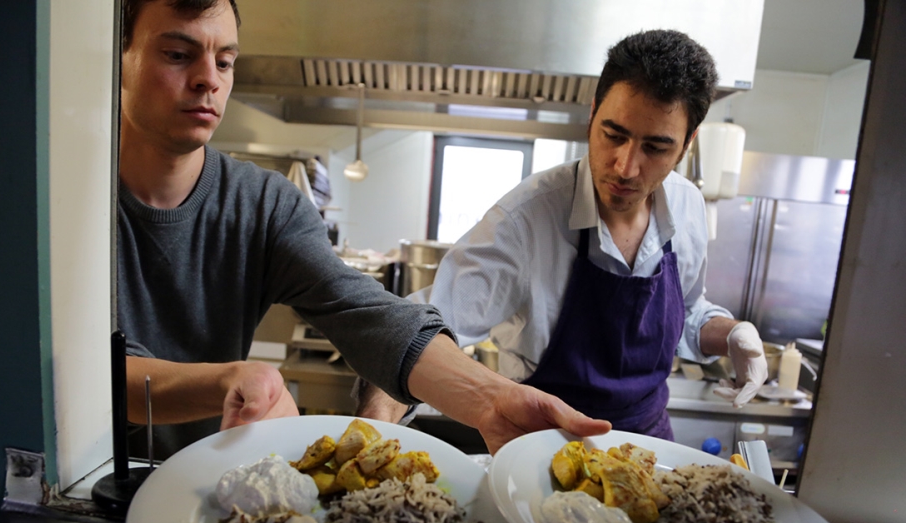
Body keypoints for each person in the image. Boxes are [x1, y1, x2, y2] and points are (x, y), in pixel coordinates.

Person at [115, 0, 611, 457]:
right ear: (119, 54)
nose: (209, 79)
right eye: (179, 54)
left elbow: (363, 310)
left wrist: (488, 398)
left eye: (224, 61)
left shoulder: (264, 205)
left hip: (205, 481)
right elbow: (96, 368)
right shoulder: (65, 203)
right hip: (82, 478)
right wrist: (227, 381)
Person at [376, 29, 769, 439]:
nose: (625, 167)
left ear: (687, 144)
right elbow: (420, 333)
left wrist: (734, 334)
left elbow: (687, 313)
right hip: (542, 451)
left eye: (655, 148)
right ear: (593, 112)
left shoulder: (687, 207)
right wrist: (379, 418)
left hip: (648, 445)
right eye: (614, 135)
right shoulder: (525, 220)